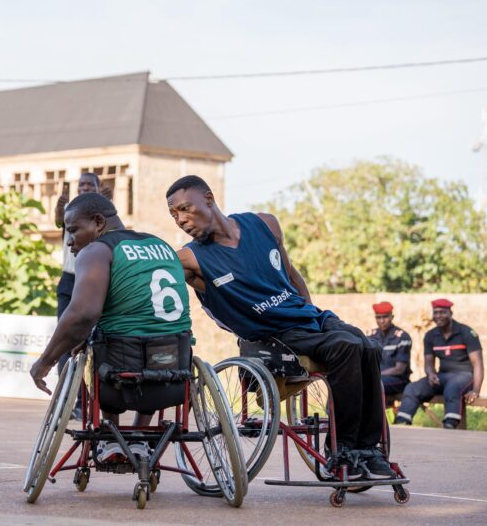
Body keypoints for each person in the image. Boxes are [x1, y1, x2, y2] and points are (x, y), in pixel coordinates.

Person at [165, 175, 394, 480]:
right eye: (174, 215)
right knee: (346, 346)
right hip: (271, 335)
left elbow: (291, 275)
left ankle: (369, 449)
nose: (181, 220)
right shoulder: (191, 258)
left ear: (208, 198)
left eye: (185, 209)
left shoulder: (265, 224)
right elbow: (154, 274)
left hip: (308, 319)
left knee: (367, 345)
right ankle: (343, 451)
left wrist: (311, 312)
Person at [30, 193, 193, 464]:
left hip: (120, 371)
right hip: (175, 367)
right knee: (147, 343)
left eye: (72, 230)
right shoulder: (162, 245)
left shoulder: (96, 251)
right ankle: (140, 437)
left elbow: (83, 313)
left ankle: (111, 436)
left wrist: (44, 362)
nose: (69, 240)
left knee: (104, 342)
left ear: (97, 222)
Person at [53, 173, 100, 420]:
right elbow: (58, 219)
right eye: (81, 185)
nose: (84, 188)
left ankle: (88, 402)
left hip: (93, 279)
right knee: (65, 341)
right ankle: (68, 399)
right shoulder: (69, 213)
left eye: (89, 185)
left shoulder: (100, 215)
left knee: (93, 344)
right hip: (70, 279)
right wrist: (59, 207)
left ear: (97, 188)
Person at [395, 299, 483, 429]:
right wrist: (430, 374)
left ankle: (450, 425)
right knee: (413, 387)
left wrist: (475, 390)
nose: (438, 316)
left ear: (450, 313)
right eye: (435, 313)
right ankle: (402, 423)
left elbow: (478, 364)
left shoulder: (466, 333)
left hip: (464, 376)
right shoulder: (431, 335)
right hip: (442, 376)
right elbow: (429, 363)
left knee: (452, 387)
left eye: (442, 312)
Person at [367, 301, 412, 398]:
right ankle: (332, 413)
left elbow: (399, 370)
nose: (382, 321)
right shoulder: (370, 336)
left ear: (392, 317)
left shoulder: (402, 337)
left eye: (385, 317)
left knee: (373, 385)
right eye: (378, 317)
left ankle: (374, 413)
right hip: (377, 378)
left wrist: (376, 375)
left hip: (398, 380)